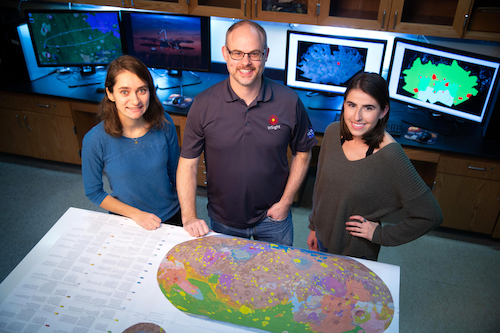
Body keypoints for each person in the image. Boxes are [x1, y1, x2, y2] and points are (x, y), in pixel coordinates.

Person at [177, 20, 317, 245]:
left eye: (254, 53)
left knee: (277, 276)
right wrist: (190, 216)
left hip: (274, 218)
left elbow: (303, 152)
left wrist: (286, 203)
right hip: (224, 220)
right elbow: (188, 164)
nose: (246, 62)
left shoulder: (289, 102)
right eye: (237, 53)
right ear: (225, 53)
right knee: (228, 278)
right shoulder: (203, 105)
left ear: (266, 54)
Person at [307, 72, 442, 260]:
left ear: (383, 111)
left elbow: (430, 215)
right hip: (322, 240)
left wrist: (380, 234)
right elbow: (321, 187)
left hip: (354, 251)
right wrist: (314, 226)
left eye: (368, 108)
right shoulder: (331, 132)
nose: (357, 116)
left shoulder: (390, 155)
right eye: (351, 105)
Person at [82, 55, 180, 230]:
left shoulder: (164, 122)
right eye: (124, 92)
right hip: (127, 220)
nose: (135, 101)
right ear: (110, 94)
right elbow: (94, 192)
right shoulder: (94, 140)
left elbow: (176, 173)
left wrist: (189, 214)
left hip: (171, 214)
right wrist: (136, 214)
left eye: (141, 90)